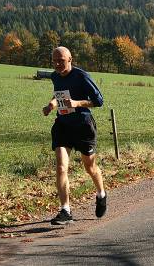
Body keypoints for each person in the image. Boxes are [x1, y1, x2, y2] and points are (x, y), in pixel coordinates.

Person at [42, 46, 107, 225]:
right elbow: (59, 96)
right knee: (62, 167)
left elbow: (99, 101)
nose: (57, 64)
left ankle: (101, 194)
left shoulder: (81, 76)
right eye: (54, 60)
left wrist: (77, 103)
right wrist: (51, 105)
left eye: (61, 61)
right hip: (63, 125)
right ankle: (65, 210)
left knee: (90, 168)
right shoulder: (55, 76)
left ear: (70, 59)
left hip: (83, 126)